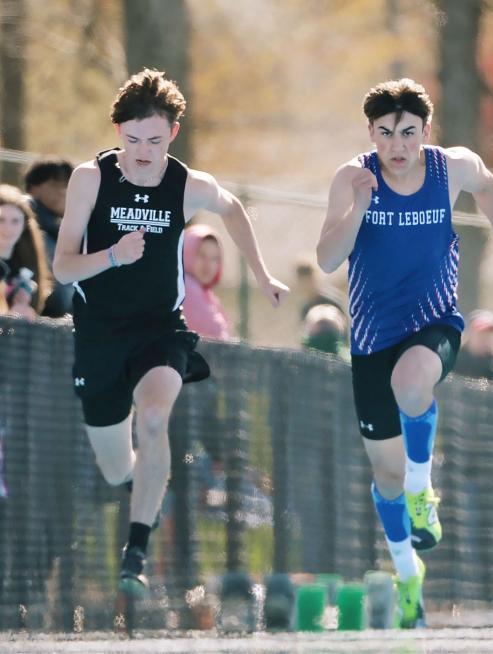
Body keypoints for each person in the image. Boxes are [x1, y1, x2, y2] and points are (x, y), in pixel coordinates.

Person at [53, 69, 288, 594]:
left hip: (161, 330)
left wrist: (261, 273)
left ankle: (135, 549)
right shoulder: (90, 179)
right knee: (117, 467)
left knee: (156, 418)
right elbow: (64, 268)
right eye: (132, 139)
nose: (142, 152)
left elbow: (233, 210)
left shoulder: (189, 184)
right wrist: (113, 255)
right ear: (118, 132)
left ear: (172, 134)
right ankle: (145, 489)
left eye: (154, 141)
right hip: (100, 336)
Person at [315, 78, 493, 627]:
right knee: (384, 477)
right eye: (386, 134)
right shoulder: (352, 177)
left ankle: (422, 490)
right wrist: (359, 207)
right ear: (371, 133)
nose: (398, 146)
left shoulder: (449, 167)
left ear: (425, 131)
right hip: (370, 340)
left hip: (434, 322)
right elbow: (326, 258)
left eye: (408, 133)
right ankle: (408, 573)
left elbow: (487, 186)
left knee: (412, 386)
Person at [24, 157, 74, 317]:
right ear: (33, 188)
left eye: (68, 184)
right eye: (55, 184)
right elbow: (61, 299)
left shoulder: (65, 228)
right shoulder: (21, 223)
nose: (64, 191)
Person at [0, 185, 52, 319]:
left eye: (15, 221)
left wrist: (24, 313)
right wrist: (8, 316)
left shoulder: (28, 266)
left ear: (24, 226)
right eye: (1, 220)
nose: (7, 228)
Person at [181, 224, 231, 340]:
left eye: (214, 258)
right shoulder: (186, 287)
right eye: (201, 255)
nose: (208, 265)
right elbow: (216, 337)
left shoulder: (204, 293)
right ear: (186, 252)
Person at [455, 310, 493, 381]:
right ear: (468, 335)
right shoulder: (452, 362)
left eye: (490, 336)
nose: (486, 339)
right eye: (481, 334)